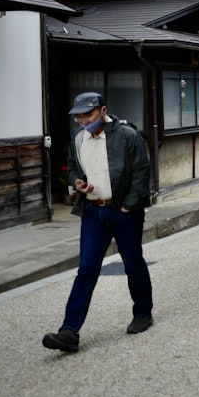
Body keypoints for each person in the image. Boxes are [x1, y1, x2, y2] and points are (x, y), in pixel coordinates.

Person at [42, 92, 153, 352]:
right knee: (86, 269)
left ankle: (143, 313)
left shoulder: (127, 136)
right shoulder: (78, 138)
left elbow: (141, 171)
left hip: (123, 211)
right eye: (79, 116)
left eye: (88, 114)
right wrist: (77, 183)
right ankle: (69, 331)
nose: (83, 120)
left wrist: (129, 204)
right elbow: (74, 168)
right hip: (93, 211)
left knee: (133, 263)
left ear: (103, 111)